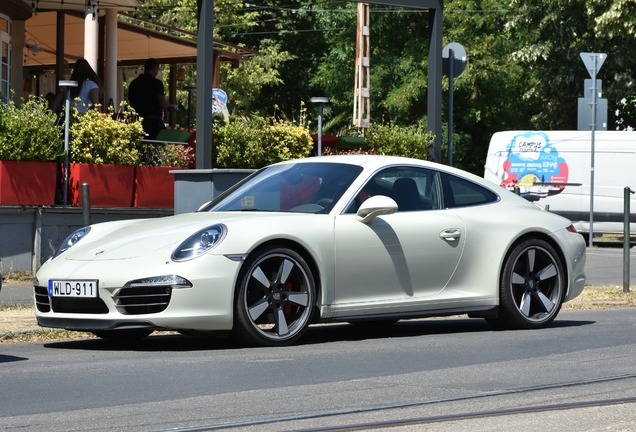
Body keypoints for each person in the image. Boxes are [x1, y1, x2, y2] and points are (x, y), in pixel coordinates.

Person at [128, 58, 176, 140]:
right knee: (159, 145)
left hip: (138, 121)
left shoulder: (134, 83)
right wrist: (170, 107)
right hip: (153, 122)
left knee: (141, 147)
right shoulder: (156, 83)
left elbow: (131, 103)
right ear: (155, 68)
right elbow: (162, 103)